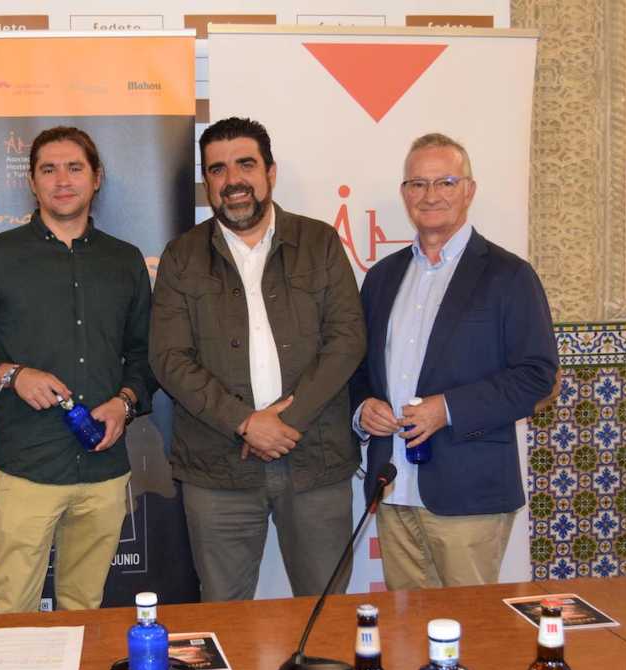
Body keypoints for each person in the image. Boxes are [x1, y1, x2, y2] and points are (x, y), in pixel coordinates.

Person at [150, 117, 366, 601]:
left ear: (270, 171)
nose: (234, 181)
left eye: (246, 164)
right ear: (207, 185)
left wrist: (284, 420)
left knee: (324, 612)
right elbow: (169, 359)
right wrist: (247, 423)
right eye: (219, 170)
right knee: (223, 614)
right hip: (217, 468)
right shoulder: (182, 256)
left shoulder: (320, 242)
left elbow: (347, 339)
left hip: (316, 460)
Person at [0, 126, 157, 614]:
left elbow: (146, 356)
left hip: (104, 466)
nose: (62, 180)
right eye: (48, 169)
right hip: (26, 465)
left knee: (85, 605)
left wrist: (125, 402)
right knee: (10, 605)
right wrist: (14, 375)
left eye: (74, 167)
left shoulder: (124, 261)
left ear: (97, 177)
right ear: (33, 182)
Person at [348, 132, 558, 590]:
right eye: (417, 184)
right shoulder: (382, 277)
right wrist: (363, 408)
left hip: (470, 494)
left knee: (473, 638)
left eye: (444, 182)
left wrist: (448, 409)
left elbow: (537, 377)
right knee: (407, 635)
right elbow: (360, 370)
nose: (430, 196)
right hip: (392, 489)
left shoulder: (509, 276)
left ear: (469, 189)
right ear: (405, 194)